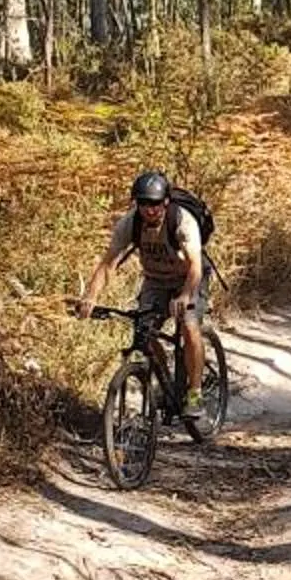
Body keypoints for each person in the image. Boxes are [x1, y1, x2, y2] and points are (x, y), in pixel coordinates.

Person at [76, 168, 208, 415]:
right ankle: (166, 379)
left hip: (189, 279)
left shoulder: (182, 221)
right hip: (156, 281)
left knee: (189, 324)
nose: (150, 209)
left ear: (166, 201)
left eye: (155, 203)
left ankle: (195, 393)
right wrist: (91, 297)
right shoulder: (130, 223)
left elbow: (195, 266)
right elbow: (108, 264)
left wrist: (184, 296)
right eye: (143, 203)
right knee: (144, 331)